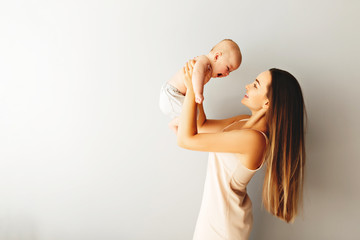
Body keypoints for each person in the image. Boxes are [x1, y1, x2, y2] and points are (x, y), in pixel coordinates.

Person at [178, 60, 306, 240]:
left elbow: (186, 140)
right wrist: (199, 85)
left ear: (267, 103)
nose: (247, 86)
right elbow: (202, 126)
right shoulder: (243, 121)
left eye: (255, 85)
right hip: (214, 217)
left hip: (224, 226)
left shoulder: (255, 139)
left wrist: (192, 89)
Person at [159, 39, 242, 134]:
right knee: (194, 115)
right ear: (217, 56)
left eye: (230, 72)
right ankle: (173, 124)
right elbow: (197, 73)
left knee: (194, 115)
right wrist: (199, 93)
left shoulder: (207, 67)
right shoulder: (204, 61)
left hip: (175, 94)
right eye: (228, 68)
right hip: (171, 94)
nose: (227, 74)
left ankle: (176, 124)